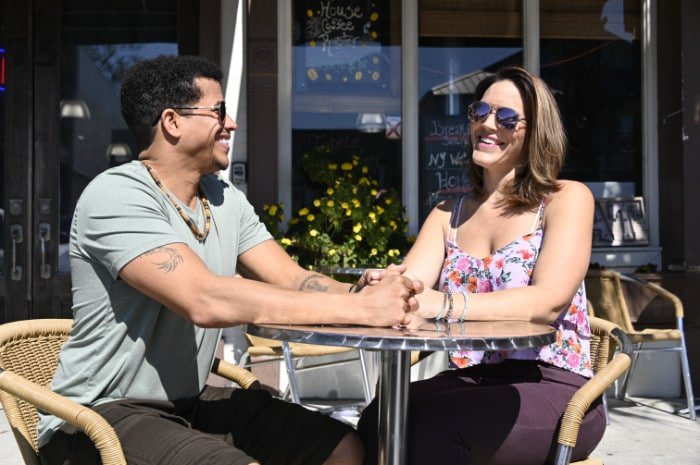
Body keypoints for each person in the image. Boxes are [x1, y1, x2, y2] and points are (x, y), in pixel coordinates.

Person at [36, 54, 422, 465]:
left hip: (188, 403)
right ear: (172, 122)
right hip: (97, 416)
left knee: (342, 448)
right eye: (218, 111)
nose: (231, 123)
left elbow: (290, 278)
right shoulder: (115, 195)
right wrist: (360, 310)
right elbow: (205, 300)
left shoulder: (223, 199)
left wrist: (364, 291)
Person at [357, 66, 605, 465]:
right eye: (480, 112)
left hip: (556, 385)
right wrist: (386, 285)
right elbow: (412, 292)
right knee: (380, 417)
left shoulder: (566, 199)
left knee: (439, 426)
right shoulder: (446, 213)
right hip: (475, 378)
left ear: (536, 132)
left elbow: (546, 302)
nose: (488, 124)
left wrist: (444, 304)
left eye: (506, 117)